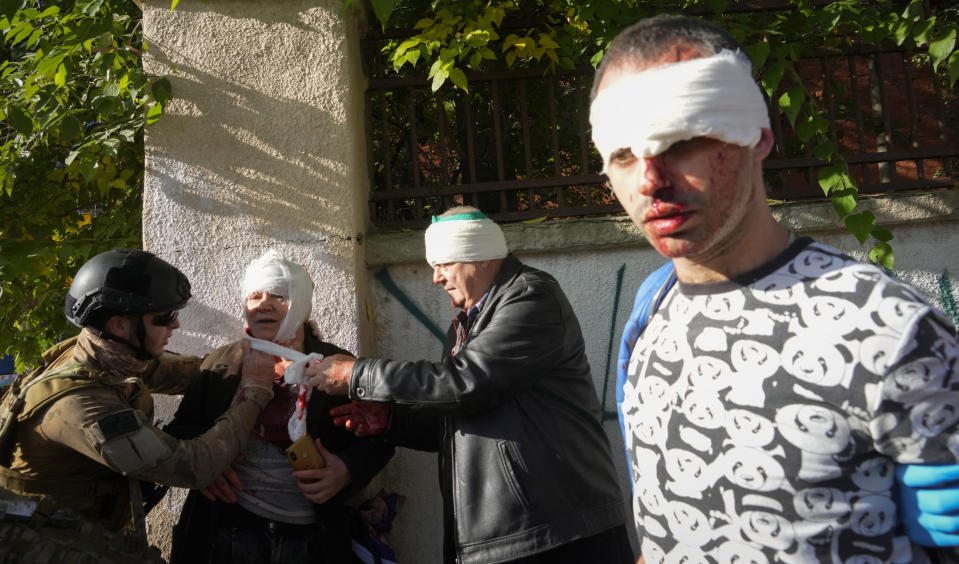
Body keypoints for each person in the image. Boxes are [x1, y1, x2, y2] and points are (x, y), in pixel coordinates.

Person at [589, 14, 959, 563]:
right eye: (622, 155)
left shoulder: (890, 329)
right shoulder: (650, 311)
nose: (649, 180)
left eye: (683, 140)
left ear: (757, 137)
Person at [309, 207, 634, 564]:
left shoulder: (531, 297)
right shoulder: (467, 322)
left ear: (477, 257)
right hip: (512, 536)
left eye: (443, 264)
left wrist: (357, 375)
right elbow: (459, 412)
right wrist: (391, 422)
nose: (436, 278)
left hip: (557, 535)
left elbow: (466, 382)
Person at [0, 248, 275, 549]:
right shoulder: (80, 407)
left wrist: (264, 346)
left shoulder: (104, 354)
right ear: (119, 325)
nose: (176, 325)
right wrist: (255, 392)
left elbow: (194, 373)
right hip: (46, 546)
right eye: (164, 317)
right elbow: (194, 465)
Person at [164, 250, 394, 563]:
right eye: (254, 296)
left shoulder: (337, 367)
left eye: (279, 296)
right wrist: (207, 469)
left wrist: (346, 471)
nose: (264, 305)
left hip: (312, 540)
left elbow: (380, 439)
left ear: (300, 304)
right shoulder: (223, 363)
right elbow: (180, 430)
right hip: (224, 535)